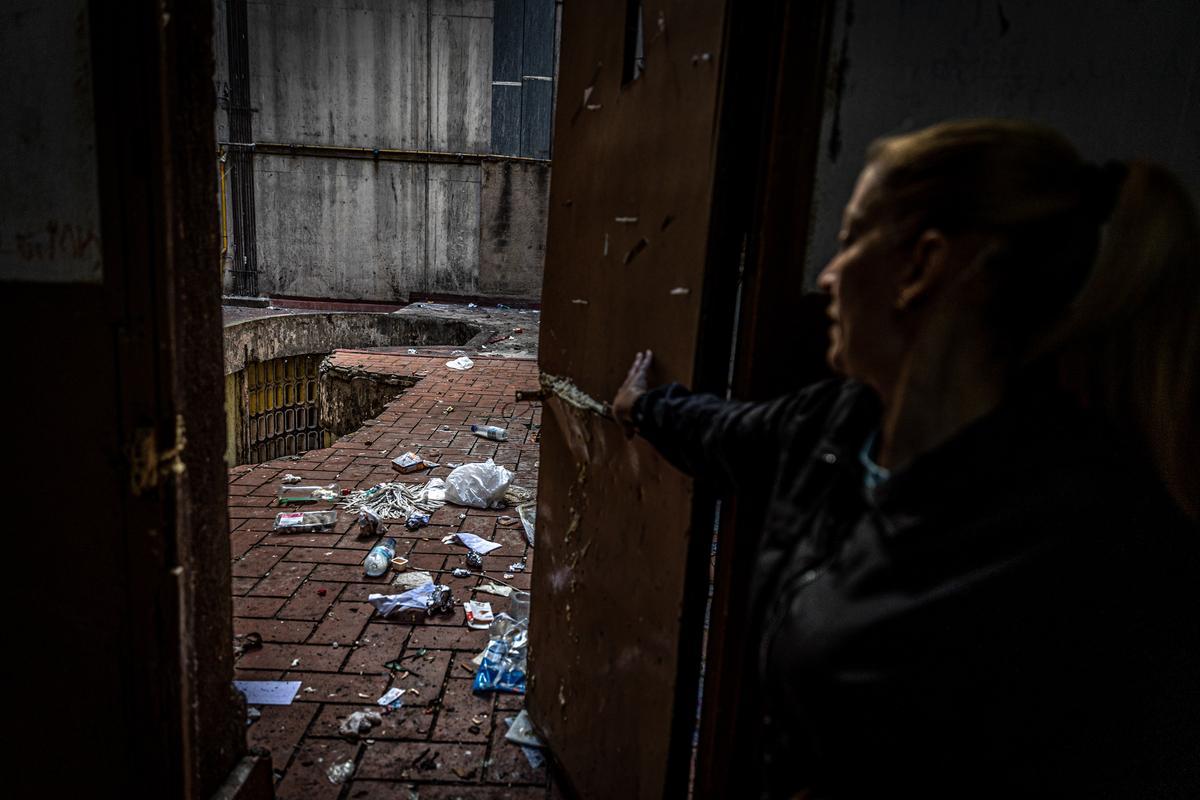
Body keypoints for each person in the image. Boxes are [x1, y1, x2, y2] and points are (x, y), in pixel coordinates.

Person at [612, 119, 1200, 798]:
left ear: (921, 266)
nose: (829, 277)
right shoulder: (844, 421)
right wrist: (647, 406)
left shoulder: (1093, 554)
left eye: (851, 238)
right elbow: (734, 434)